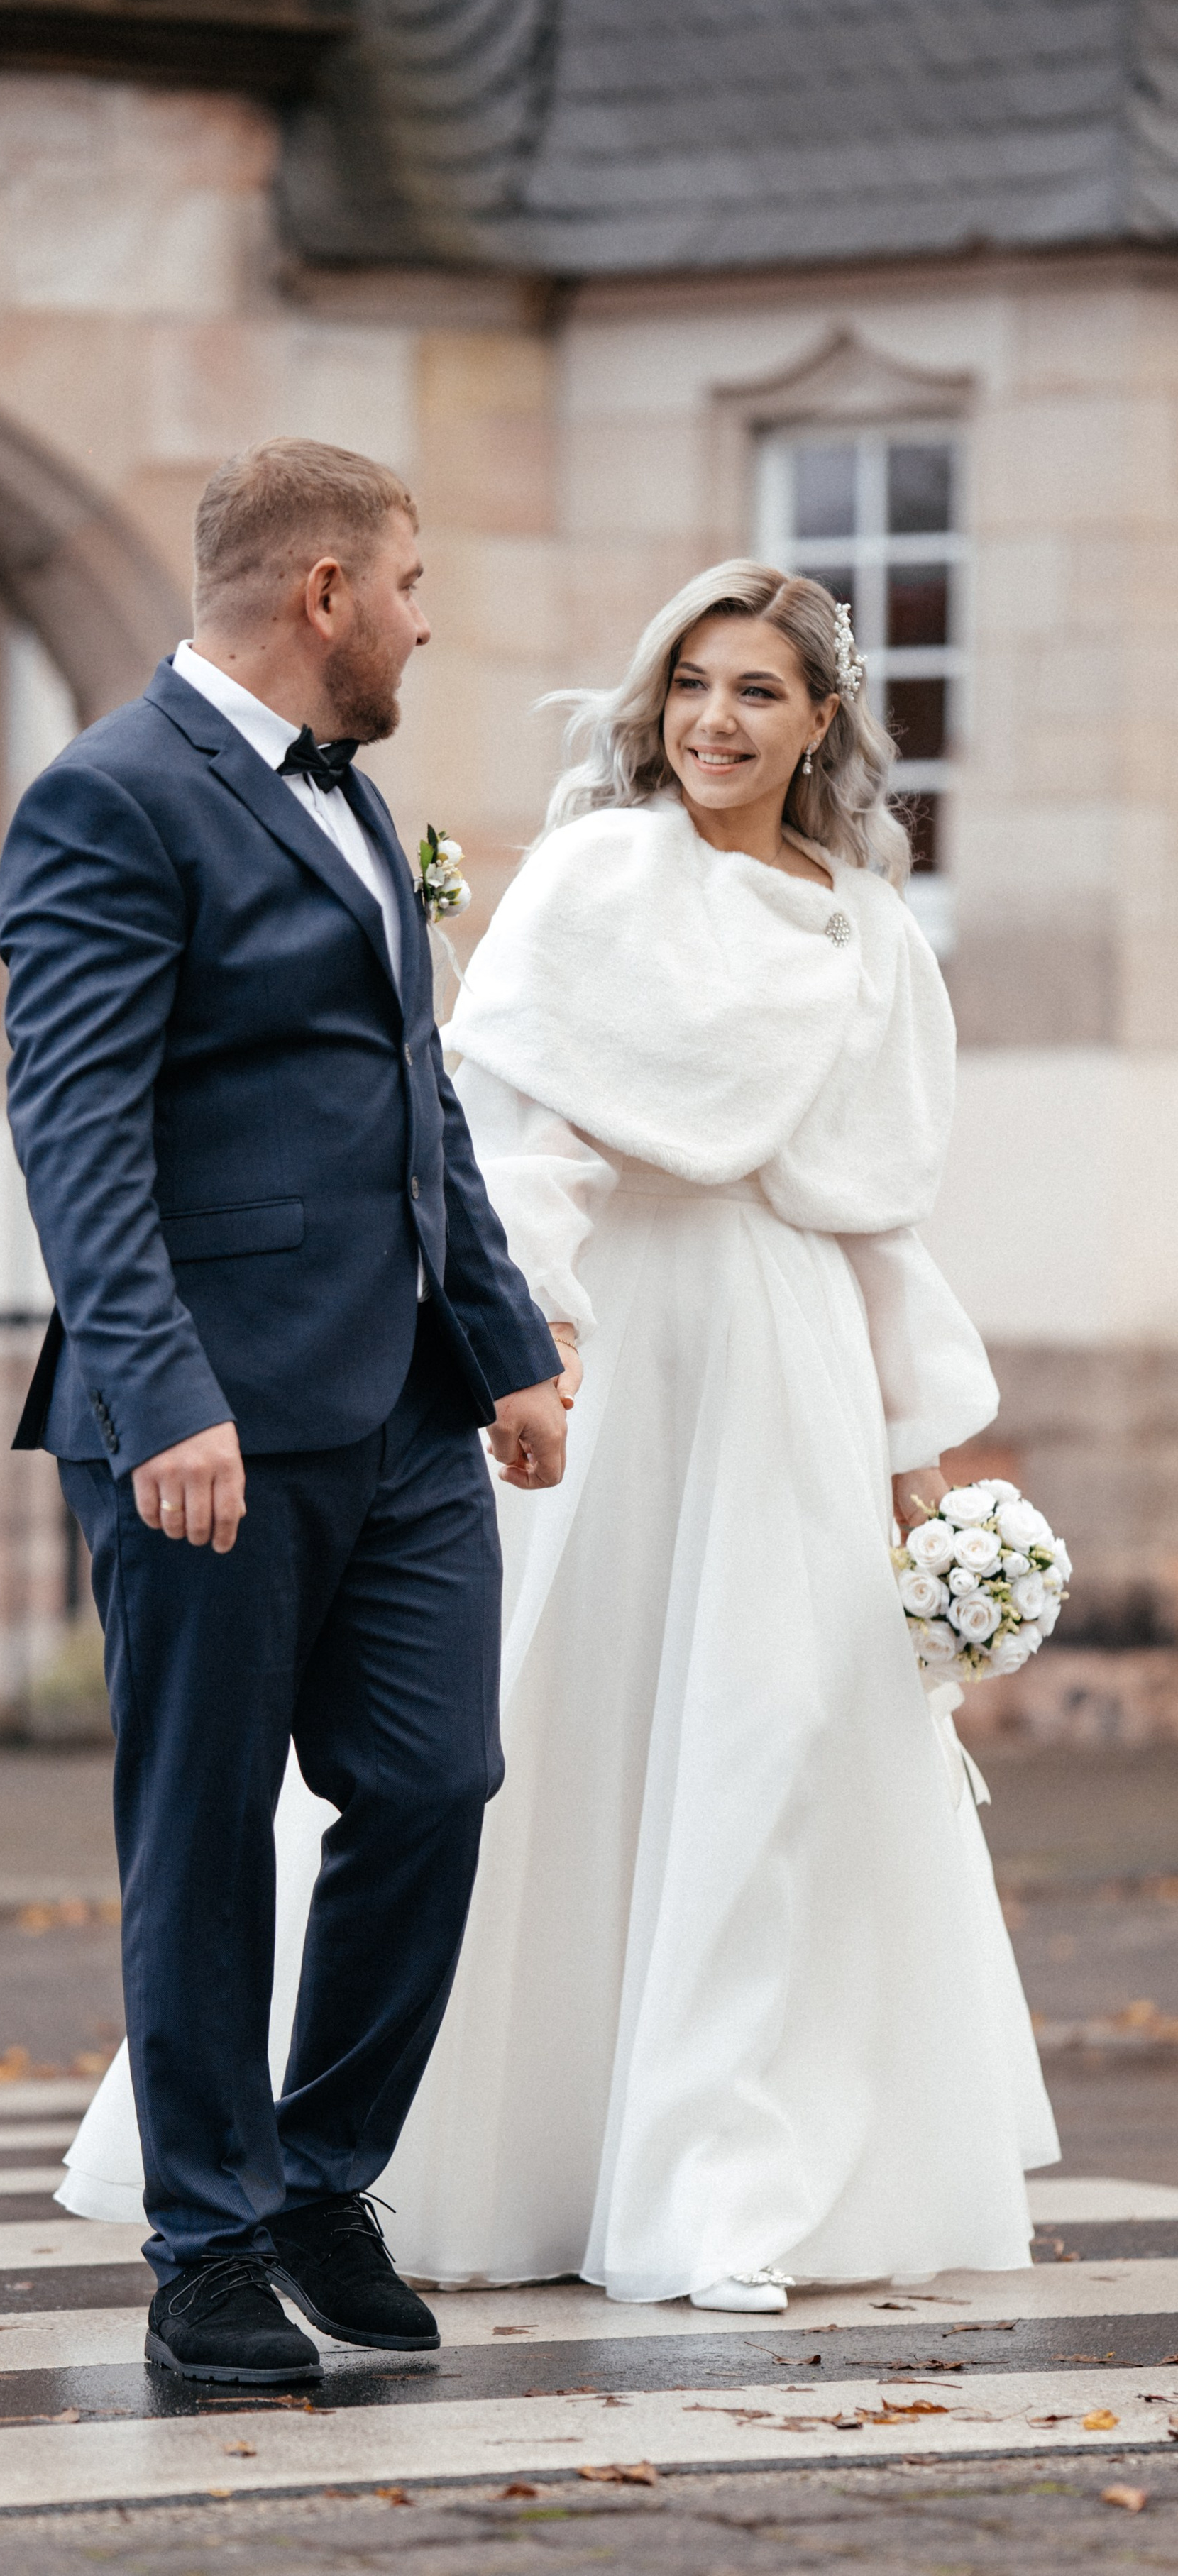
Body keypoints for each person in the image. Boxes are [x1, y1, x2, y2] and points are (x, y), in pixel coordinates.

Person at [60, 558, 1057, 2314]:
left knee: (769, 1738)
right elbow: (502, 1132)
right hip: (600, 1361)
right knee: (516, 1746)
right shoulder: (598, 877)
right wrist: (534, 1336)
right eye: (689, 685)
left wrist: (917, 1448)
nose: (712, 722)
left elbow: (877, 1214)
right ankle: (393, 2164)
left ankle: (712, 2180)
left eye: (754, 692)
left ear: (819, 721)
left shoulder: (871, 933)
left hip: (786, 1362)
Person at [0, 438, 568, 2384]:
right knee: (205, 1832)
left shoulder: (358, 799)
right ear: (324, 590)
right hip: (204, 1431)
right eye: (408, 584)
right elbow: (76, 1131)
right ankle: (209, 2245)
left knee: (432, 1785)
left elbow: (418, 1104)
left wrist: (502, 1344)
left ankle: (322, 2173)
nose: (423, 621)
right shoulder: (108, 797)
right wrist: (160, 1393)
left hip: (402, 1411)